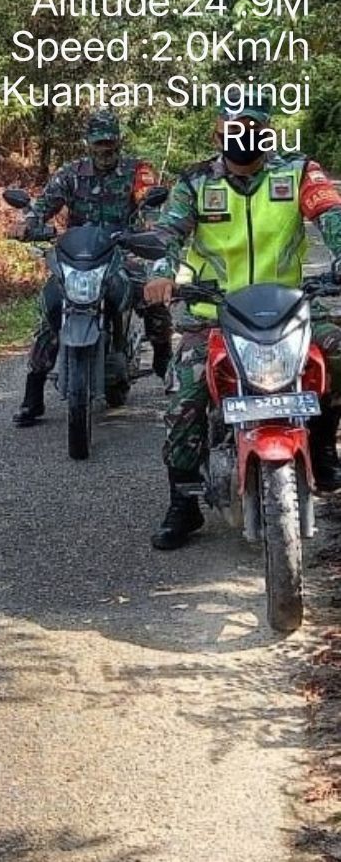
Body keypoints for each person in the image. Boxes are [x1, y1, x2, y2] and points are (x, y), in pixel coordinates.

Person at [144, 99, 341, 550]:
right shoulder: (195, 182)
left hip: (289, 309)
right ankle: (184, 501)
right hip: (213, 314)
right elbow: (168, 232)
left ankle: (325, 441)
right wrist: (160, 273)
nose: (243, 134)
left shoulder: (298, 172)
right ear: (218, 134)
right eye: (233, 126)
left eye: (252, 126)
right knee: (184, 399)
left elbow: (331, 213)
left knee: (335, 350)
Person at [12, 110, 174, 426]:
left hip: (122, 250)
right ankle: (33, 393)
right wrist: (29, 224)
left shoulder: (136, 171)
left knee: (153, 296)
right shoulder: (70, 174)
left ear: (118, 141)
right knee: (51, 308)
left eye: (110, 142)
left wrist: (151, 231)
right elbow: (44, 206)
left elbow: (151, 204)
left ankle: (163, 357)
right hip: (77, 256)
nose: (105, 149)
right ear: (89, 143)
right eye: (99, 142)